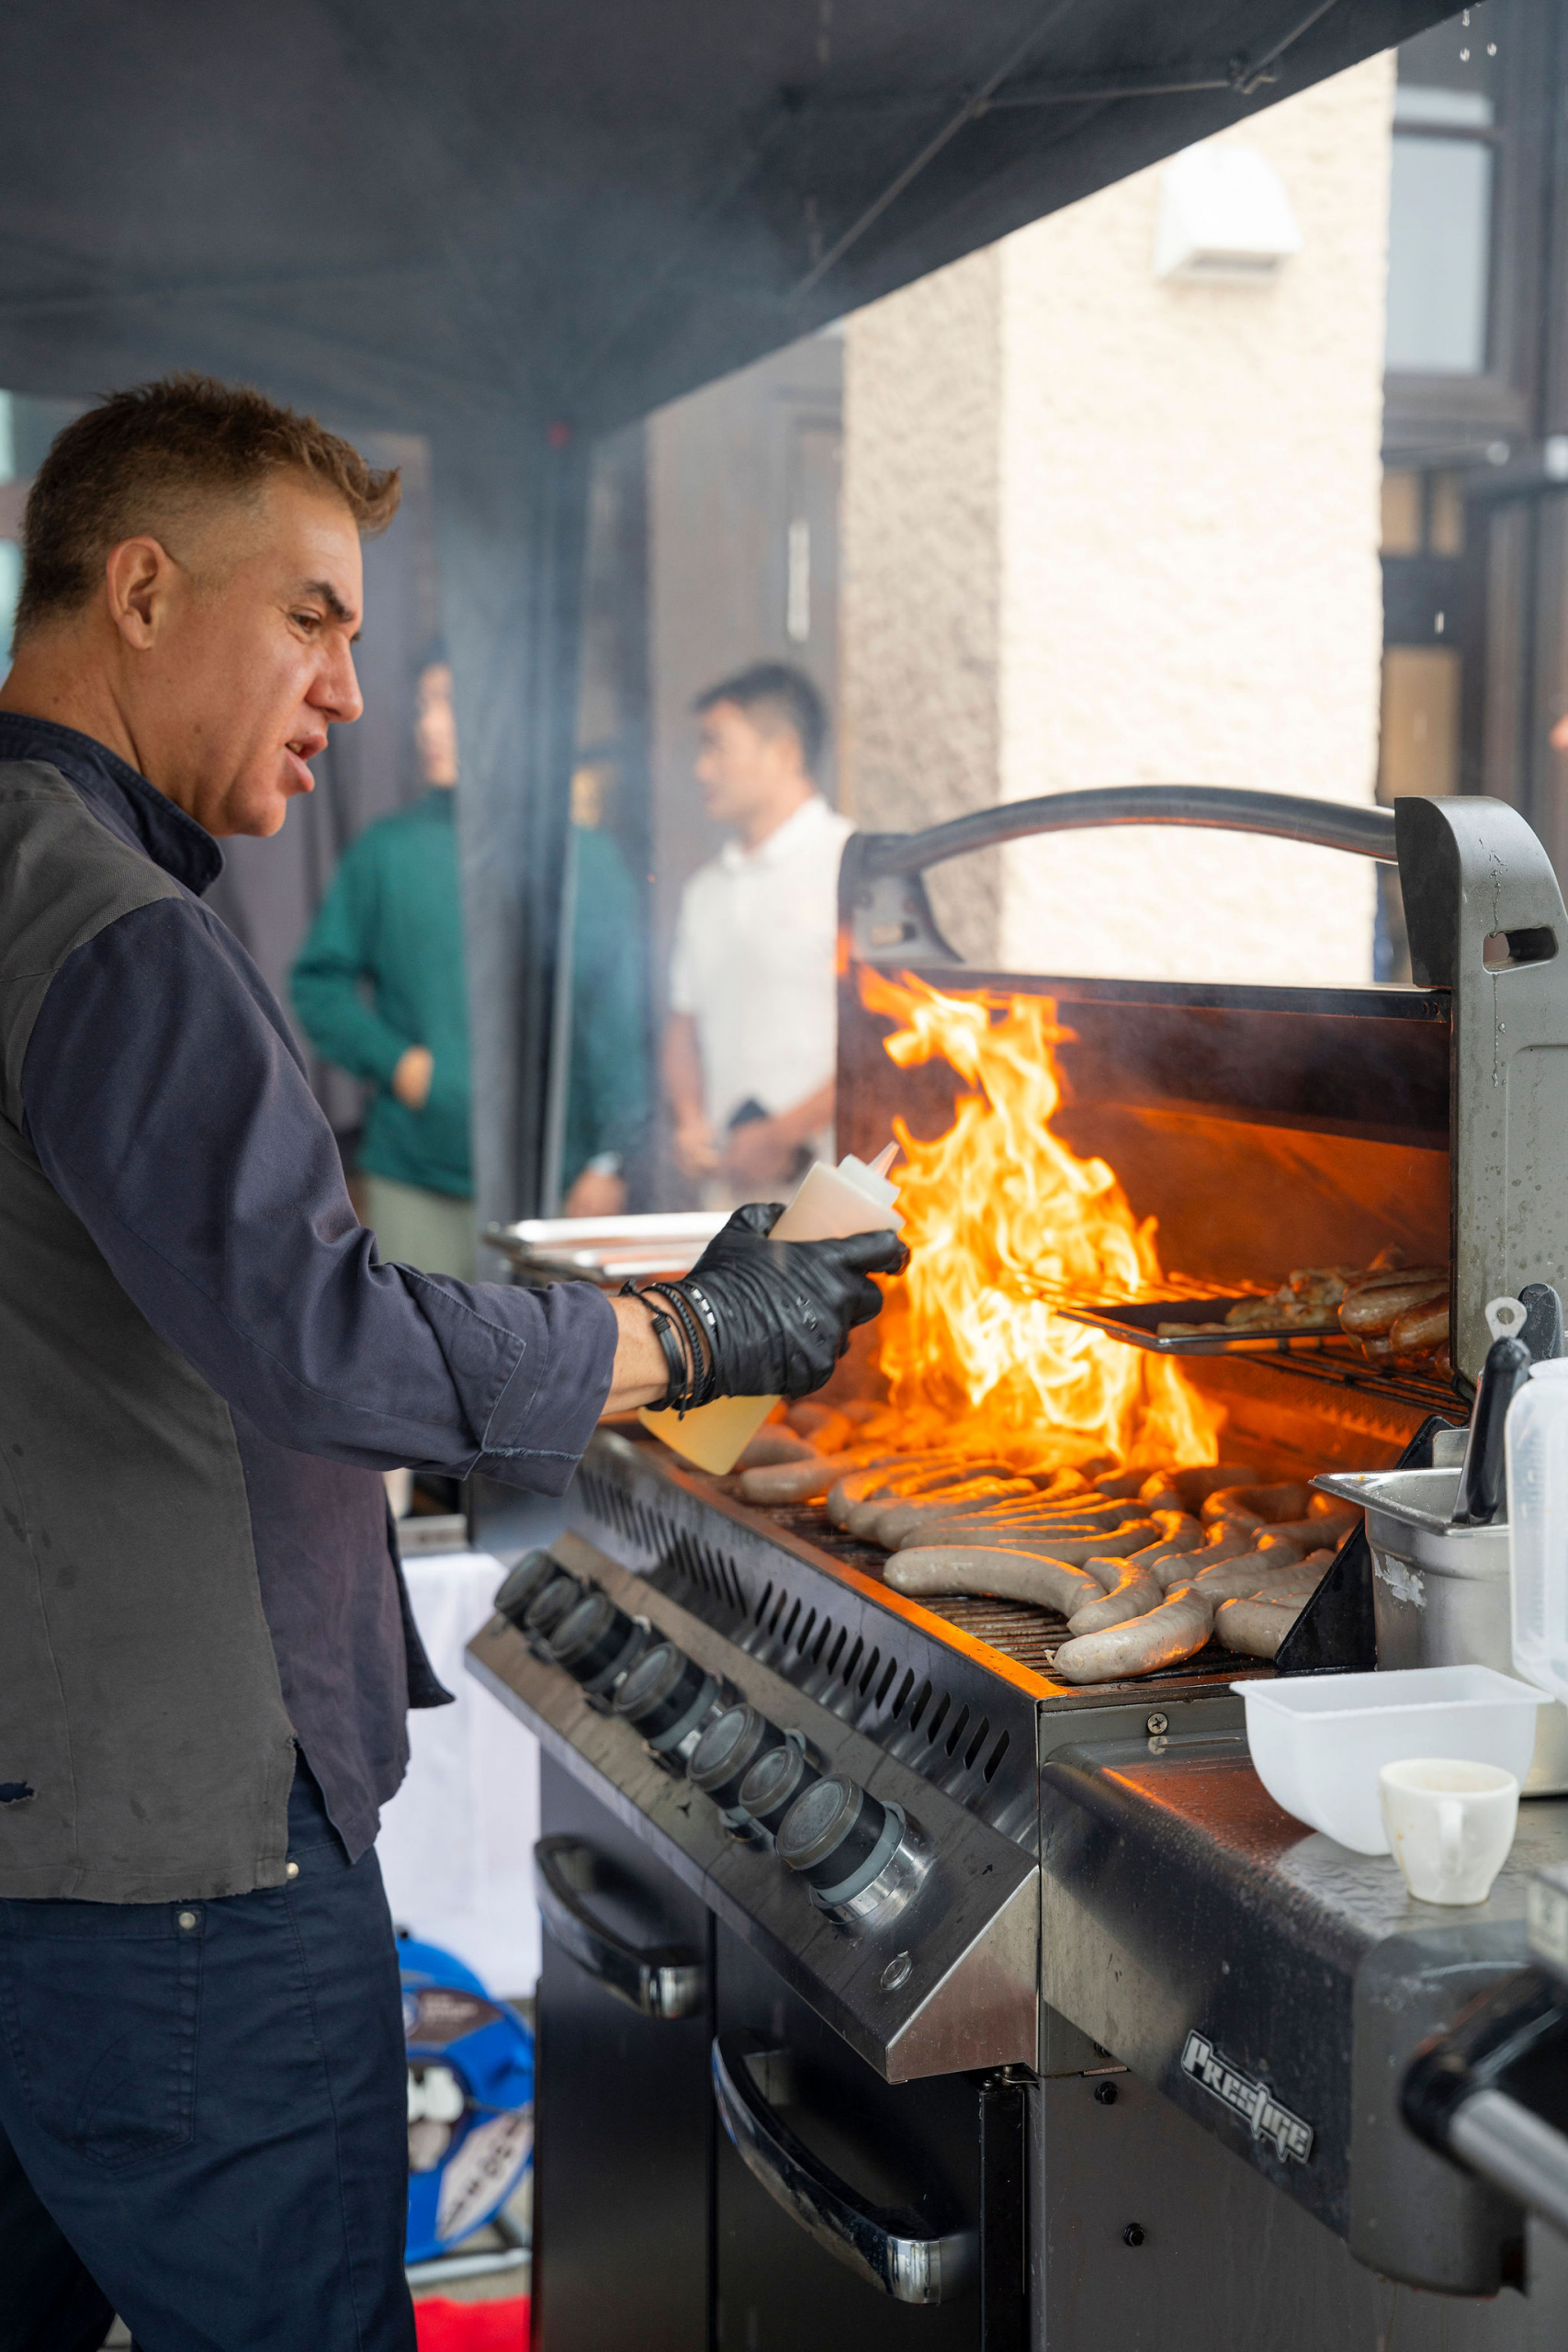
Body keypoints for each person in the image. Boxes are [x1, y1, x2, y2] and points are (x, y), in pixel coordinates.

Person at [0, 375, 901, 2352]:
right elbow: (327, 1333)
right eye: (310, 613)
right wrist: (696, 1331)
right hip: (178, 1882)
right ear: (140, 590)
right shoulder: (116, 927)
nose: (346, 674)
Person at [291, 650, 475, 1276]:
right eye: (424, 707)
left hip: (555, 1184)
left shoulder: (578, 859)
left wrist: (603, 1160)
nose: (429, 727)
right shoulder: (387, 852)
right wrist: (397, 1063)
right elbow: (319, 984)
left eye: (448, 703)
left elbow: (614, 1020)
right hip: (414, 1176)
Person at [664, 662, 852, 1204]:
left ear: (784, 752)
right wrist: (690, 1121)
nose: (701, 769)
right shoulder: (705, 889)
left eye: (717, 746)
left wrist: (784, 1131)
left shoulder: (850, 865)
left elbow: (892, 1035)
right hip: (727, 1203)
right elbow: (683, 1025)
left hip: (830, 1197)